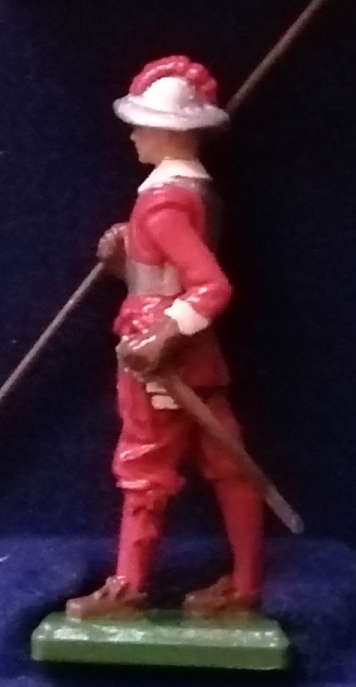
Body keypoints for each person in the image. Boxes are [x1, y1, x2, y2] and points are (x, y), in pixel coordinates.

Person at [65, 56, 268, 622]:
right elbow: (166, 277)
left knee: (144, 468)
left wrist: (161, 336)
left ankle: (129, 587)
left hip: (160, 359)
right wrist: (125, 264)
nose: (134, 136)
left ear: (169, 132)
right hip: (192, 353)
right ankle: (246, 583)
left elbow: (210, 287)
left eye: (143, 125)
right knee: (229, 463)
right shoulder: (190, 191)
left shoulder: (163, 202)